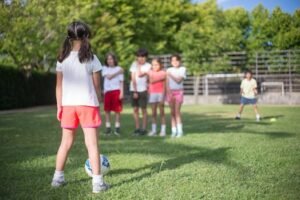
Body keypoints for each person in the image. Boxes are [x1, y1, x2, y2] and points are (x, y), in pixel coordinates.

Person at [51, 21, 109, 193]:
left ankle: (57, 179)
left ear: (69, 37)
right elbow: (97, 87)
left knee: (65, 143)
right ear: (86, 36)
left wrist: (59, 107)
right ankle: (98, 183)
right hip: (88, 105)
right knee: (92, 144)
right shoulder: (92, 58)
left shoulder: (62, 59)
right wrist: (99, 101)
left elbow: (58, 87)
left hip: (68, 106)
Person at [129, 48, 151, 136]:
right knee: (135, 109)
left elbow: (140, 74)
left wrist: (138, 67)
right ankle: (137, 128)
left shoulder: (149, 66)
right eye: (139, 56)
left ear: (146, 57)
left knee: (144, 109)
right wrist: (135, 91)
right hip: (134, 90)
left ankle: (144, 128)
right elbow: (133, 78)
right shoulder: (133, 64)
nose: (141, 58)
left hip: (143, 90)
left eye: (143, 57)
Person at [102, 53, 124, 136]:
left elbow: (121, 82)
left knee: (117, 110)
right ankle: (108, 128)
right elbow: (109, 77)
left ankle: (117, 128)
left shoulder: (119, 68)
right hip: (107, 92)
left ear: (114, 60)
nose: (109, 61)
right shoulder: (105, 68)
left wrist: (122, 92)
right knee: (107, 110)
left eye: (111, 59)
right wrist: (118, 72)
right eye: (108, 59)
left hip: (116, 91)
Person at [166, 54, 186, 138]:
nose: (175, 62)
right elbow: (167, 83)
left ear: (180, 61)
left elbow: (178, 80)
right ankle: (173, 131)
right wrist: (168, 91)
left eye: (176, 60)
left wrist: (170, 74)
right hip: (170, 92)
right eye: (173, 60)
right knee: (172, 113)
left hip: (179, 92)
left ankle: (180, 131)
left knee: (177, 112)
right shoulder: (169, 69)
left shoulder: (182, 69)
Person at [147, 58, 167, 137]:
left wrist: (163, 96)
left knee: (162, 113)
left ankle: (163, 131)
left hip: (160, 94)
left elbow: (165, 86)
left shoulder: (163, 72)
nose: (154, 66)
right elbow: (151, 80)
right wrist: (160, 78)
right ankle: (154, 130)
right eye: (153, 65)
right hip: (152, 94)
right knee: (153, 113)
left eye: (156, 65)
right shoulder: (150, 72)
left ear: (160, 65)